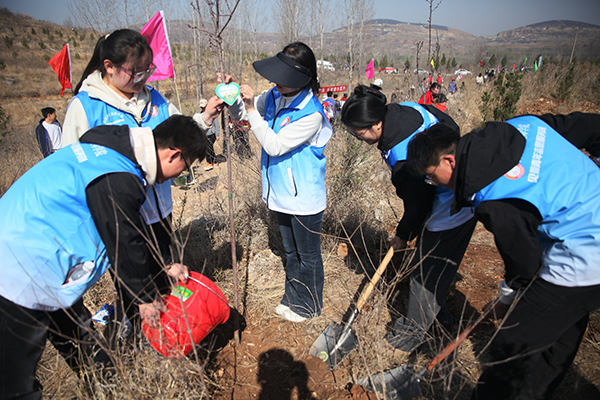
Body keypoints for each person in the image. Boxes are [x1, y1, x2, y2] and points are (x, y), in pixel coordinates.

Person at [0, 115, 204, 400]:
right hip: (18, 271)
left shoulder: (112, 152)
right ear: (173, 154)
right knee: (16, 383)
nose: (182, 173)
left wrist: (163, 267)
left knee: (85, 344)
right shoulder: (118, 175)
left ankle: (110, 390)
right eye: (186, 166)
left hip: (46, 264)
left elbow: (126, 228)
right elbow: (122, 238)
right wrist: (145, 297)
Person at [405, 113, 600, 400]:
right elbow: (591, 126)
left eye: (431, 177)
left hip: (584, 254)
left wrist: (506, 298)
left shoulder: (494, 199)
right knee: (559, 335)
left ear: (449, 161)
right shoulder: (525, 125)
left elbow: (525, 264)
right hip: (586, 226)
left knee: (509, 347)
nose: (434, 184)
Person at [62, 29, 223, 321]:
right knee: (132, 284)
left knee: (163, 277)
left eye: (147, 70)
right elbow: (71, 166)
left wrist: (205, 117)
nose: (143, 78)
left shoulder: (155, 100)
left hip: (159, 212)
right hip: (118, 216)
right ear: (109, 66)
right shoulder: (86, 106)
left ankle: (166, 331)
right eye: (135, 71)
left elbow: (180, 136)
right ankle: (137, 332)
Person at [340, 84, 476, 352]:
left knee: (425, 272)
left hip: (452, 206)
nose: (358, 138)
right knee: (434, 265)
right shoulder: (406, 109)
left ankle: (411, 334)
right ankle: (439, 317)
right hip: (450, 190)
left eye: (359, 133)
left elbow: (418, 206)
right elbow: (449, 125)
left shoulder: (403, 158)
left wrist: (403, 234)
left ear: (377, 123)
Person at [229, 42, 333, 322]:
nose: (277, 82)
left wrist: (251, 109)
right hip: (280, 194)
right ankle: (292, 298)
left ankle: (309, 306)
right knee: (290, 252)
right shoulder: (275, 96)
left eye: (284, 78)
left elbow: (274, 146)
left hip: (304, 199)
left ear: (301, 79)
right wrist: (233, 97)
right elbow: (243, 115)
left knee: (307, 255)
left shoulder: (311, 114)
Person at [199, 98, 220, 171]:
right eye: (201, 107)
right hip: (204, 135)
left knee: (208, 148)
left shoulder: (212, 112)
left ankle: (209, 163)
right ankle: (215, 161)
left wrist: (217, 134)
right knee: (209, 148)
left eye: (203, 106)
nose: (202, 108)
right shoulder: (201, 114)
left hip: (212, 134)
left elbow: (217, 124)